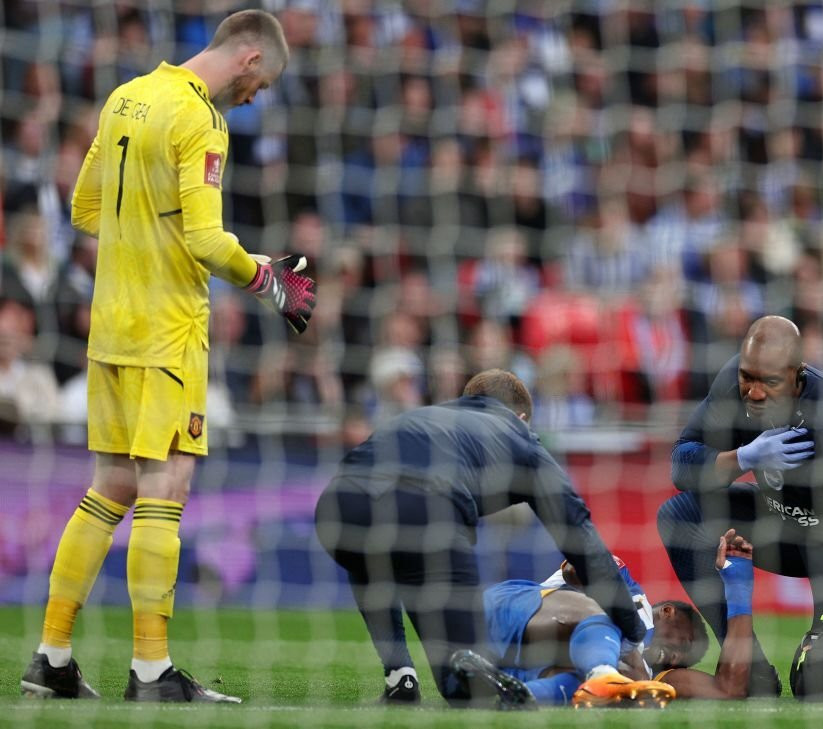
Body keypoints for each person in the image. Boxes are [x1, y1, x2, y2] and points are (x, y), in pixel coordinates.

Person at [20, 10, 316, 704]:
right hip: (166, 330)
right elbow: (209, 242)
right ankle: (151, 670)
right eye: (261, 85)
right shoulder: (201, 119)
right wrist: (267, 279)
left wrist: (150, 227)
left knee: (111, 485)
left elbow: (85, 210)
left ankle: (52, 655)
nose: (255, 99)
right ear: (248, 59)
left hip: (110, 325)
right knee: (167, 486)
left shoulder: (125, 95)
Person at [314, 368, 647, 707]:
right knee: (464, 685)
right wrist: (632, 635)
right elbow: (581, 539)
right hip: (424, 511)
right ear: (521, 417)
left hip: (336, 511)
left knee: (371, 558)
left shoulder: (423, 416)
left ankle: (400, 677)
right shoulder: (521, 438)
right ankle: (542, 689)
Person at [657, 315, 823, 695]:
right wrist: (744, 457)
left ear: (797, 375)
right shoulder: (731, 386)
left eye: (769, 382)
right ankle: (748, 668)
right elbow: (681, 468)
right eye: (747, 377)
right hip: (792, 519)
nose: (753, 392)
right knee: (680, 516)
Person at [460, 528, 754, 708]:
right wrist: (629, 632)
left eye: (680, 660)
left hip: (499, 660)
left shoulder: (645, 679)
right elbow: (577, 569)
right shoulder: (633, 594)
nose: (676, 657)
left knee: (593, 684)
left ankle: (524, 694)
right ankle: (601, 673)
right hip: (509, 611)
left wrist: (737, 584)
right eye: (685, 643)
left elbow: (729, 690)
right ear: (668, 612)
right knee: (614, 617)